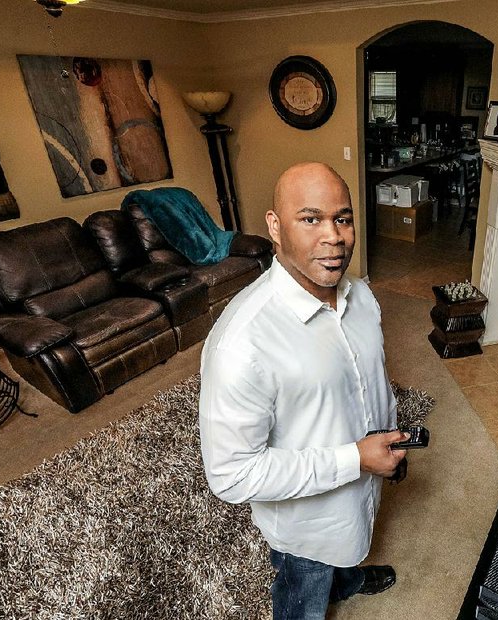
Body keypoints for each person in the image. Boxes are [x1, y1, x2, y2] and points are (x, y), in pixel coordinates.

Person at [199, 162, 408, 620]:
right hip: (306, 527)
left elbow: (369, 380)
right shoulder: (243, 342)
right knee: (305, 590)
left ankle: (349, 576)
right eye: (311, 219)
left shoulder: (363, 298)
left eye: (344, 218)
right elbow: (231, 476)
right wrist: (355, 458)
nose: (333, 236)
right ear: (275, 227)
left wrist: (387, 444)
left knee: (352, 542)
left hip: (362, 490)